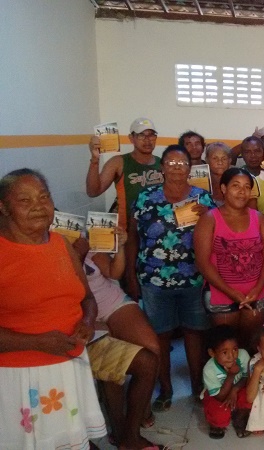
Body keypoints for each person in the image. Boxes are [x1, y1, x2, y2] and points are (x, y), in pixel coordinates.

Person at [0, 169, 107, 448]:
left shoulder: (60, 244)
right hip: (21, 377)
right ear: (4, 207)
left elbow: (87, 298)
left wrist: (87, 322)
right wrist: (38, 342)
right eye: (25, 200)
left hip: (68, 368)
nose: (38, 206)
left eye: (43, 197)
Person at [127, 145, 215, 409]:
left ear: (190, 168)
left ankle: (197, 386)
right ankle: (165, 388)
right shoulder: (145, 198)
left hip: (194, 278)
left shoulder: (203, 198)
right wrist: (131, 274)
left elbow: (216, 234)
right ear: (162, 167)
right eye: (171, 163)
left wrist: (208, 217)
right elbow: (133, 237)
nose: (177, 168)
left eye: (182, 163)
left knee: (194, 332)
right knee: (160, 335)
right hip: (154, 279)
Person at [77, 231, 161, 449]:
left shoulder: (84, 241)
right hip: (81, 314)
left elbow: (114, 272)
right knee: (111, 364)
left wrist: (121, 246)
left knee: (152, 347)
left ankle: (140, 408)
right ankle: (120, 428)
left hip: (110, 301)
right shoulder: (51, 252)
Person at [194, 167, 264, 348]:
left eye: (247, 187)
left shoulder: (259, 218)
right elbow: (203, 263)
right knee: (226, 348)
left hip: (256, 293)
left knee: (252, 345)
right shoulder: (209, 219)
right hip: (221, 294)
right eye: (236, 186)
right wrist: (231, 292)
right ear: (223, 188)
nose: (242, 191)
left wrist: (258, 288)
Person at [86, 117, 164, 230]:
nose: (147, 140)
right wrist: (94, 160)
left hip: (154, 229)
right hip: (126, 230)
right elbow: (93, 192)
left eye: (151, 135)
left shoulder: (162, 163)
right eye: (141, 135)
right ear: (131, 138)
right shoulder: (118, 162)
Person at [200, 325, 251, 439]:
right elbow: (220, 396)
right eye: (224, 352)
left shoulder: (243, 355)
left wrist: (234, 391)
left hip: (237, 388)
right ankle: (216, 425)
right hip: (217, 395)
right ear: (212, 353)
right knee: (219, 412)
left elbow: (247, 377)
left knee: (249, 396)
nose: (231, 356)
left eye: (235, 349)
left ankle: (240, 418)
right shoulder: (209, 369)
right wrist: (231, 375)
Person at [205, 142, 233, 206]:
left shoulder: (237, 180)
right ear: (207, 160)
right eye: (215, 158)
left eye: (224, 159)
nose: (220, 162)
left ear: (230, 161)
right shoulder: (200, 181)